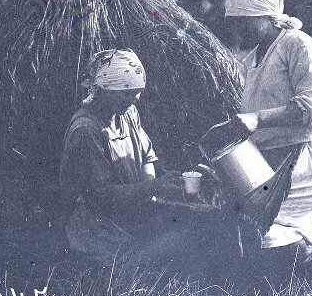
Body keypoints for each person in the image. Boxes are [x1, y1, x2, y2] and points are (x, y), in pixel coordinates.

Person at [59, 48, 242, 269]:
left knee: (213, 218)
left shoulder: (127, 114)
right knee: (183, 242)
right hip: (99, 228)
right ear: (106, 90)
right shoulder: (86, 130)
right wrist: (153, 188)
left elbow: (147, 155)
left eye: (137, 92)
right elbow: (100, 197)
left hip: (132, 211)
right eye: (127, 93)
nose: (134, 100)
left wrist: (152, 189)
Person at [224, 0, 312, 285]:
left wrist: (257, 119)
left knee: (262, 224)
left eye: (243, 22)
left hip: (303, 158)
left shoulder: (297, 44)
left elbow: (311, 110)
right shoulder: (253, 59)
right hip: (275, 159)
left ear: (265, 16)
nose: (237, 30)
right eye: (233, 23)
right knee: (290, 227)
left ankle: (310, 276)